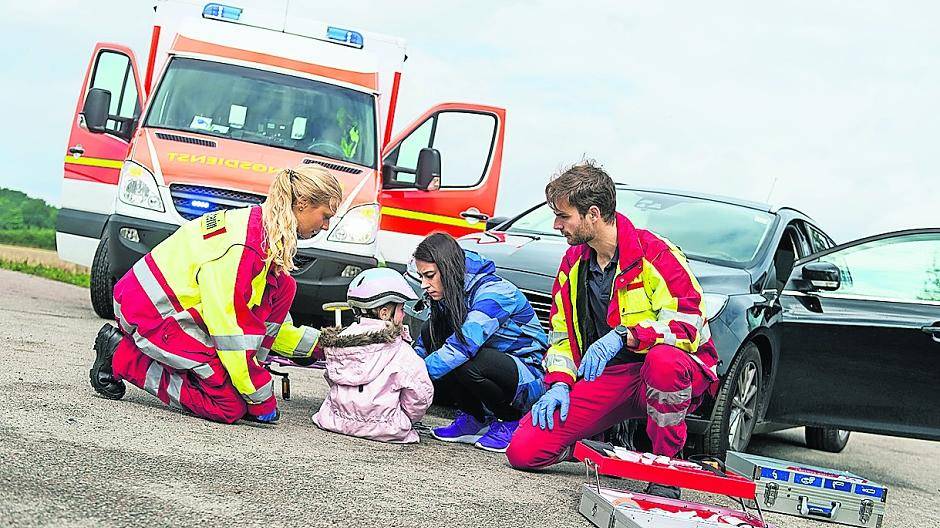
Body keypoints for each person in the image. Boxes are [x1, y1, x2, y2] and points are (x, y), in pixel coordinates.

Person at [505, 161, 720, 500]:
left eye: (563, 216)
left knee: (663, 361)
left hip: (670, 373)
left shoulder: (657, 254)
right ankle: (596, 442)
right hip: (615, 376)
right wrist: (559, 383)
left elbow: (690, 324)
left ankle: (666, 467)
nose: (557, 224)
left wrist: (626, 334)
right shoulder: (573, 262)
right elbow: (561, 336)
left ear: (593, 214)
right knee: (524, 451)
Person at [88, 165, 342, 424]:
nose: (325, 226)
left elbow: (261, 328)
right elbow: (231, 333)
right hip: (150, 313)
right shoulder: (245, 249)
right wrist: (258, 397)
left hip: (171, 308)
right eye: (325, 216)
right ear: (302, 203)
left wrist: (321, 345)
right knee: (228, 406)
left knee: (285, 286)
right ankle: (121, 354)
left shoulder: (260, 232)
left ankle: (223, 377)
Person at [412, 233, 547, 453]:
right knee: (431, 332)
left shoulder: (494, 292)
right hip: (491, 362)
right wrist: (401, 366)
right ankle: (475, 419)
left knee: (463, 359)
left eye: (429, 276)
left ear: (448, 270)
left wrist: (411, 375)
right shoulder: (450, 291)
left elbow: (463, 346)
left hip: (531, 377)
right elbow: (424, 343)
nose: (424, 285)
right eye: (421, 276)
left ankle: (511, 421)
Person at [312, 268, 433, 443]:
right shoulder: (401, 351)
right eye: (401, 309)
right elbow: (421, 395)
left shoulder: (340, 341)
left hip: (334, 420)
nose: (404, 314)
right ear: (384, 312)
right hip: (386, 428)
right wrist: (407, 419)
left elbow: (332, 376)